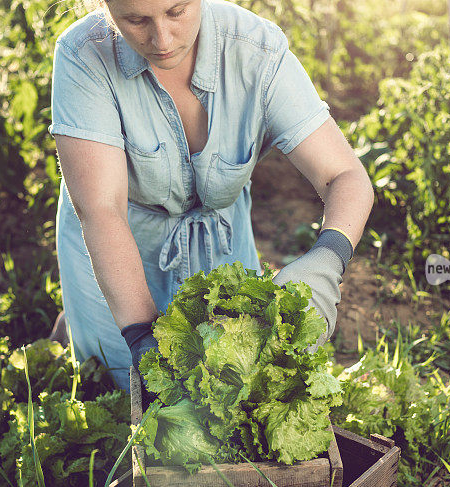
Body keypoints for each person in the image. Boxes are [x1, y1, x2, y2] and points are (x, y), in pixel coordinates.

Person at [48, 0, 374, 391]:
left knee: (236, 386)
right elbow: (102, 211)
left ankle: (70, 328)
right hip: (118, 244)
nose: (162, 39)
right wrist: (138, 334)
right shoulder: (84, 53)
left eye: (176, 11)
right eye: (136, 20)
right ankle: (75, 327)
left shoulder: (256, 50)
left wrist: (326, 259)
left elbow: (344, 174)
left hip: (220, 244)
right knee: (117, 388)